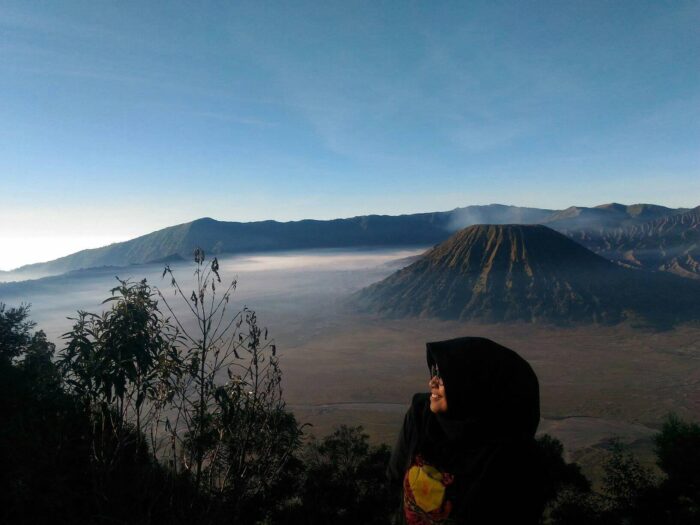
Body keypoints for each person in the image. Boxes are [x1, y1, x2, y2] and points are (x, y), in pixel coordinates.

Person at [387, 336, 546, 524]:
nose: (432, 382)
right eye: (433, 371)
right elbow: (394, 477)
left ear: (472, 383)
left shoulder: (516, 457)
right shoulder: (421, 416)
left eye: (442, 375)